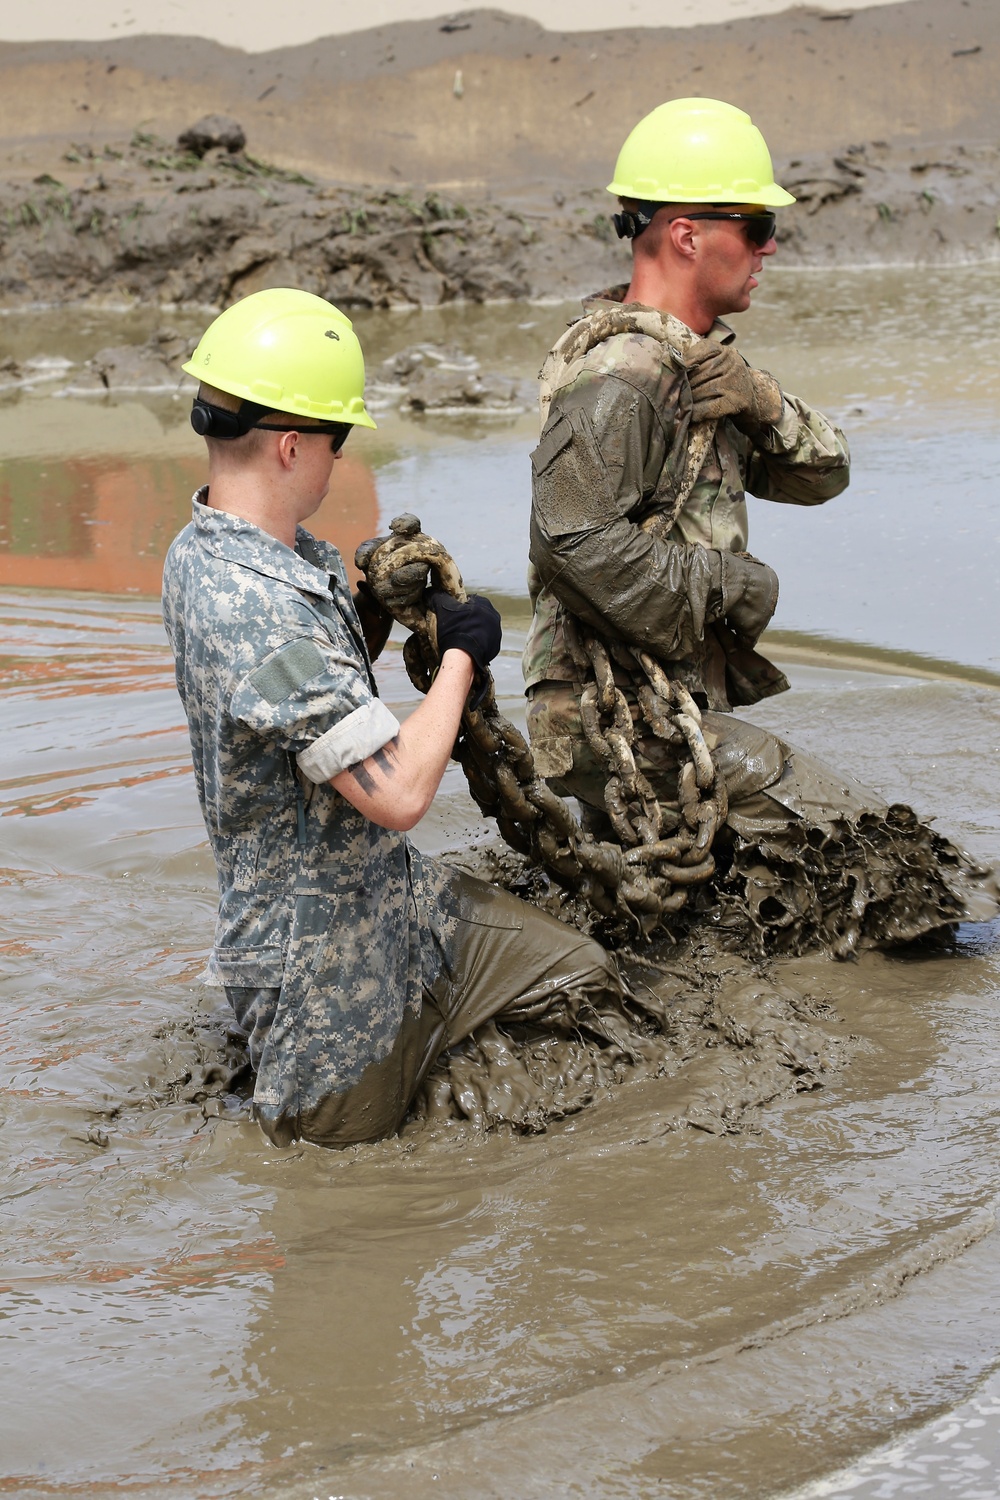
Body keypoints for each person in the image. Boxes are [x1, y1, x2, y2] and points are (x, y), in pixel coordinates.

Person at [523, 98, 998, 951]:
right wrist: (731, 584)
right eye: (756, 222)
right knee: (901, 882)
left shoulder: (698, 364)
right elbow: (571, 540)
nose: (772, 244)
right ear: (686, 235)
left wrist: (763, 402)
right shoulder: (625, 375)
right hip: (616, 723)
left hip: (661, 712)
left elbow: (826, 474)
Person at [162, 288, 627, 1148]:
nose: (338, 465)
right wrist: (460, 653)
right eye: (338, 444)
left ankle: (448, 1074)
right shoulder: (250, 606)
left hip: (397, 899)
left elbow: (308, 703)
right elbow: (401, 791)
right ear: (295, 444)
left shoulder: (240, 552)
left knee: (580, 980)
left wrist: (372, 609)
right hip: (321, 970)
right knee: (340, 1201)